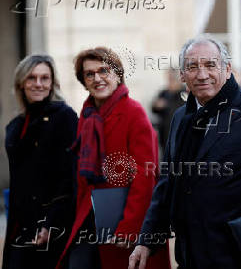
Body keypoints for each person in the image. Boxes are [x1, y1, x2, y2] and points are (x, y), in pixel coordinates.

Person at [129, 36, 241, 269]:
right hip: (190, 254)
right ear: (182, 75)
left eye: (211, 65)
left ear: (228, 69)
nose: (202, 75)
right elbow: (167, 184)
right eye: (192, 67)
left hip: (239, 256)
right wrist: (147, 239)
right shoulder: (181, 117)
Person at [56, 47, 170, 269]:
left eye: (104, 71)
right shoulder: (87, 116)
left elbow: (145, 177)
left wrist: (129, 227)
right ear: (84, 81)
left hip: (126, 224)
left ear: (117, 74)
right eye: (89, 74)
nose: (97, 78)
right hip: (88, 219)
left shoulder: (134, 113)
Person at [3, 54, 77, 269]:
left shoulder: (65, 117)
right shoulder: (16, 124)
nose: (38, 84)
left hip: (51, 224)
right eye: (32, 78)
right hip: (19, 223)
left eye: (45, 78)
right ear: (21, 83)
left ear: (52, 83)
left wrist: (49, 224)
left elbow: (68, 177)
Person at [151, 68, 185, 150]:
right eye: (169, 77)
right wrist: (156, 106)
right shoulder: (164, 92)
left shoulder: (184, 92)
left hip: (180, 133)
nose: (170, 80)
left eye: (172, 77)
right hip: (165, 133)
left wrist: (166, 105)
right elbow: (154, 109)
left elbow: (181, 108)